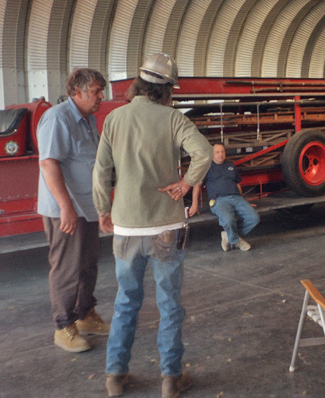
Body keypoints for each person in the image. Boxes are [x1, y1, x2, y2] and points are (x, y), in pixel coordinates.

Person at [92, 53, 213, 398]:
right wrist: (187, 183)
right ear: (166, 90)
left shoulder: (114, 119)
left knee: (126, 302)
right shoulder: (172, 118)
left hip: (126, 229)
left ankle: (115, 377)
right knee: (169, 304)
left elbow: (101, 172)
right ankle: (170, 380)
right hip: (165, 228)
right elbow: (203, 153)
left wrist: (104, 210)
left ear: (139, 84)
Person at [37, 68, 110, 353]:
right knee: (67, 268)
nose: (101, 96)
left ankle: (85, 316)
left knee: (88, 263)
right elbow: (49, 164)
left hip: (87, 206)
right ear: (76, 92)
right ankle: (63, 327)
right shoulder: (57, 118)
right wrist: (66, 208)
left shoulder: (88, 119)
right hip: (65, 210)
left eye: (100, 90)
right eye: (95, 91)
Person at [190, 143, 260, 251]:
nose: (220, 154)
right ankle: (236, 241)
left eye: (222, 151)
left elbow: (237, 184)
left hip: (237, 198)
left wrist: (245, 202)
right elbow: (197, 185)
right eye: (217, 152)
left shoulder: (231, 166)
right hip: (218, 201)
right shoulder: (207, 167)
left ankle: (229, 235)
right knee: (228, 220)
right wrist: (194, 205)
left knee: (254, 218)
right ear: (212, 154)